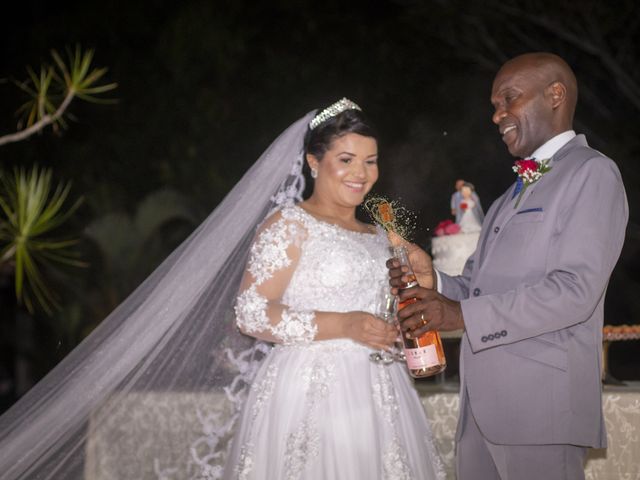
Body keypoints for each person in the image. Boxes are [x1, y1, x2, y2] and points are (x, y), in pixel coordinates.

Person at [388, 53, 628, 480]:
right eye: (494, 106)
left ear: (555, 95)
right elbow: (476, 288)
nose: (498, 115)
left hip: (542, 413)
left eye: (508, 99)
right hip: (480, 414)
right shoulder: (505, 198)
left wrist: (459, 315)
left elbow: (575, 290)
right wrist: (434, 281)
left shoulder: (592, 173)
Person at [223, 99, 444, 479]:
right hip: (309, 392)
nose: (361, 172)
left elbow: (396, 307)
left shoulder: (379, 236)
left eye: (370, 161)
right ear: (313, 162)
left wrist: (410, 302)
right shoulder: (290, 224)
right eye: (346, 159)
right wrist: (344, 325)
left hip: (380, 390)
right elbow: (251, 313)